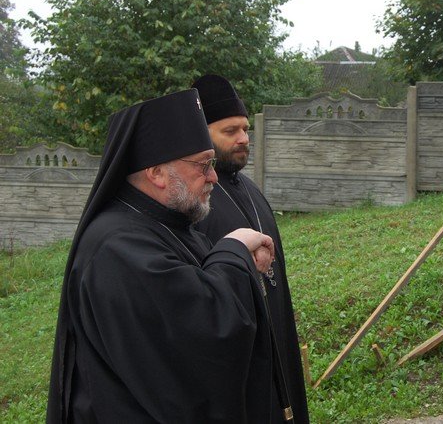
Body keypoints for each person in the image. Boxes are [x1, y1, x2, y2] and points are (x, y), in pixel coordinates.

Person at [47, 89, 280, 423]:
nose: (214, 176)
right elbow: (202, 332)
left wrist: (237, 259)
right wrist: (234, 249)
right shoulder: (116, 247)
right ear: (156, 173)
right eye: (204, 165)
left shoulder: (165, 223)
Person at [192, 74, 309, 424]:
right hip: (237, 350)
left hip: (275, 330)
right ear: (201, 133)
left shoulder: (251, 189)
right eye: (230, 131)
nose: (243, 139)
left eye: (245, 129)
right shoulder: (195, 204)